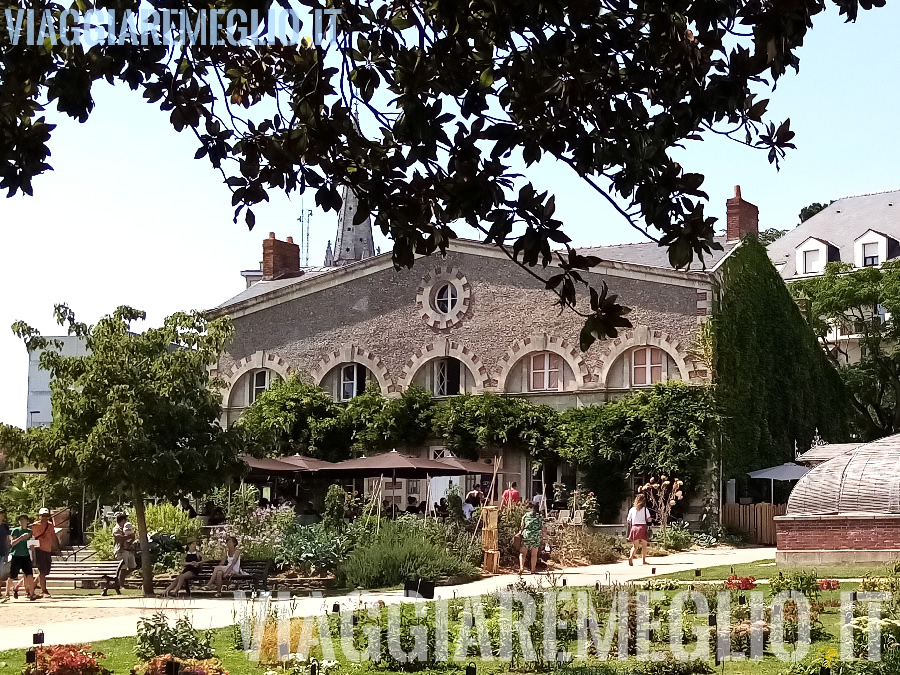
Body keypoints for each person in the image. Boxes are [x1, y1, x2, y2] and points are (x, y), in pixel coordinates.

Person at [8, 515, 38, 601]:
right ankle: (7, 593)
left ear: (27, 521)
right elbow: (12, 543)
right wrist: (21, 537)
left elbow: (31, 544)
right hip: (16, 555)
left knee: (29, 575)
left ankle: (32, 594)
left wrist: (32, 548)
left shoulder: (30, 531)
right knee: (12, 575)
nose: (22, 521)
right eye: (21, 520)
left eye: (24, 519)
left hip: (26, 555)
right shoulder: (16, 530)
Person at [31, 507, 59, 597]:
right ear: (40, 516)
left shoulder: (50, 525)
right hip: (39, 549)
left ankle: (33, 585)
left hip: (48, 550)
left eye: (47, 515)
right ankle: (44, 590)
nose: (45, 517)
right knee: (42, 571)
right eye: (43, 515)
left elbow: (54, 537)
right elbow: (31, 537)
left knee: (45, 571)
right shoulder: (35, 525)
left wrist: (57, 548)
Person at [518, 502, 545, 574]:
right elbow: (543, 528)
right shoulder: (539, 517)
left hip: (526, 535)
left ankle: (521, 567)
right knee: (534, 554)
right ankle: (533, 570)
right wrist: (545, 537)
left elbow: (522, 526)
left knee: (522, 553)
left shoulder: (526, 516)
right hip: (535, 536)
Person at [112, 513, 137, 589]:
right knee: (123, 568)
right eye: (125, 519)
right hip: (121, 551)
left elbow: (132, 537)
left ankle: (119, 580)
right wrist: (130, 536)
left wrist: (132, 537)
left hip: (129, 550)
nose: (126, 521)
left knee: (133, 566)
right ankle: (121, 584)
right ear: (122, 520)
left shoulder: (127, 528)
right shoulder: (116, 529)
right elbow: (120, 538)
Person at [626, 493, 652, 566]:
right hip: (642, 527)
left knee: (635, 546)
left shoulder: (632, 509)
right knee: (644, 545)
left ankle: (631, 557)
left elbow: (628, 520)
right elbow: (649, 519)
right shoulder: (645, 509)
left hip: (634, 528)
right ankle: (644, 560)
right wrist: (649, 519)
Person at [0, 510, 10, 603]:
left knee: (0, 573)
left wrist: (7, 552)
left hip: (2, 552)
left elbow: (7, 540)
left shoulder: (5, 526)